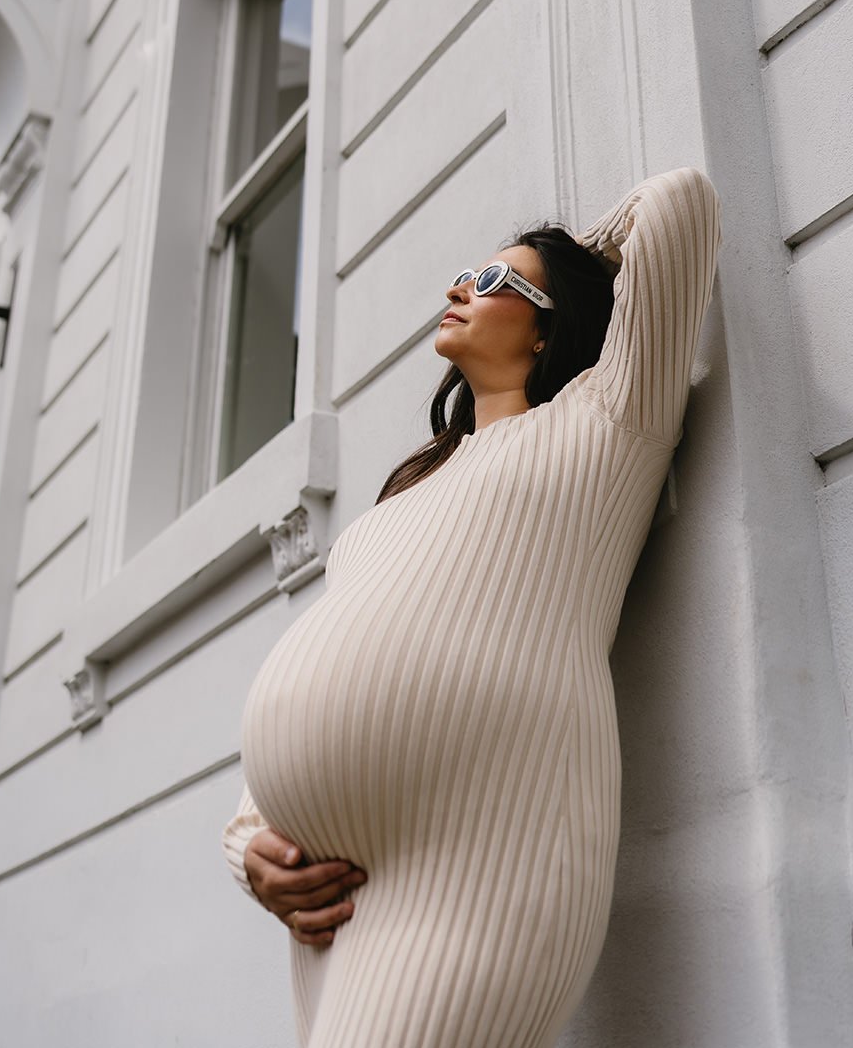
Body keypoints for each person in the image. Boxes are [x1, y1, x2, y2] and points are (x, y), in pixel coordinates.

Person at [222, 165, 722, 1047]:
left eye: (494, 281)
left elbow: (678, 204)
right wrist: (253, 844)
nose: (461, 286)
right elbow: (341, 647)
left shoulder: (605, 423)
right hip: (332, 898)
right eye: (465, 274)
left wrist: (571, 262)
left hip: (483, 861)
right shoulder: (405, 491)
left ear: (548, 328)